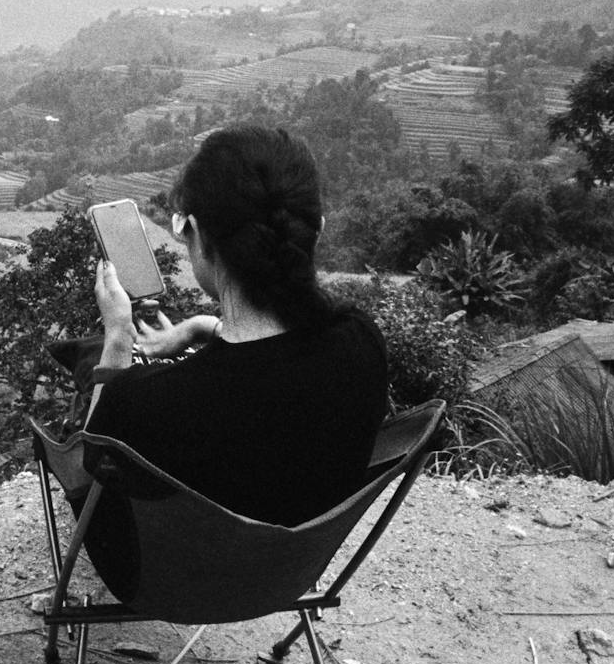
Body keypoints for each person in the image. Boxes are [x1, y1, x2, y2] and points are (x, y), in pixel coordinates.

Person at [67, 125, 389, 597]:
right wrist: (203, 326)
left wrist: (117, 339)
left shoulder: (148, 404)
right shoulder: (361, 343)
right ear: (315, 230)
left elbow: (86, 459)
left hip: (160, 582)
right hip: (287, 576)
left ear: (196, 232)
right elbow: (272, 365)